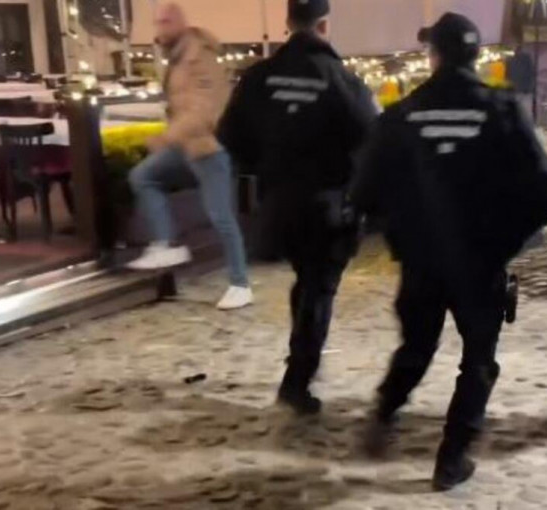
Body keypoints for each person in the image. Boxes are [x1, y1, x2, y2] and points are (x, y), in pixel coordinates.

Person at [353, 13, 547, 491]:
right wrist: (509, 240)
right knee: (478, 360)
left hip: (422, 261)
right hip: (481, 262)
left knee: (416, 346)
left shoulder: (402, 114)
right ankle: (452, 458)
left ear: (434, 56)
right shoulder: (501, 110)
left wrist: (399, 233)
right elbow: (545, 186)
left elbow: (364, 190)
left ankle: (383, 413)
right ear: (476, 56)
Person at [218, 0, 379, 414]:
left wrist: (267, 170)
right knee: (318, 288)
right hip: (327, 207)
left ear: (289, 22)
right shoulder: (342, 80)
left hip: (279, 205)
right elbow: (372, 143)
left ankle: (299, 365)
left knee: (307, 282)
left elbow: (230, 137)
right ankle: (297, 381)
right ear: (324, 25)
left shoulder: (258, 78)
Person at [126, 3, 253, 310]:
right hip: (185, 146)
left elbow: (204, 110)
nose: (159, 29)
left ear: (180, 23)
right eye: (157, 23)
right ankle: (166, 243)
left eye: (164, 22)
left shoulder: (200, 58)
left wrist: (167, 137)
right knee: (143, 176)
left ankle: (240, 284)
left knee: (221, 216)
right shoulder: (178, 57)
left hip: (208, 148)